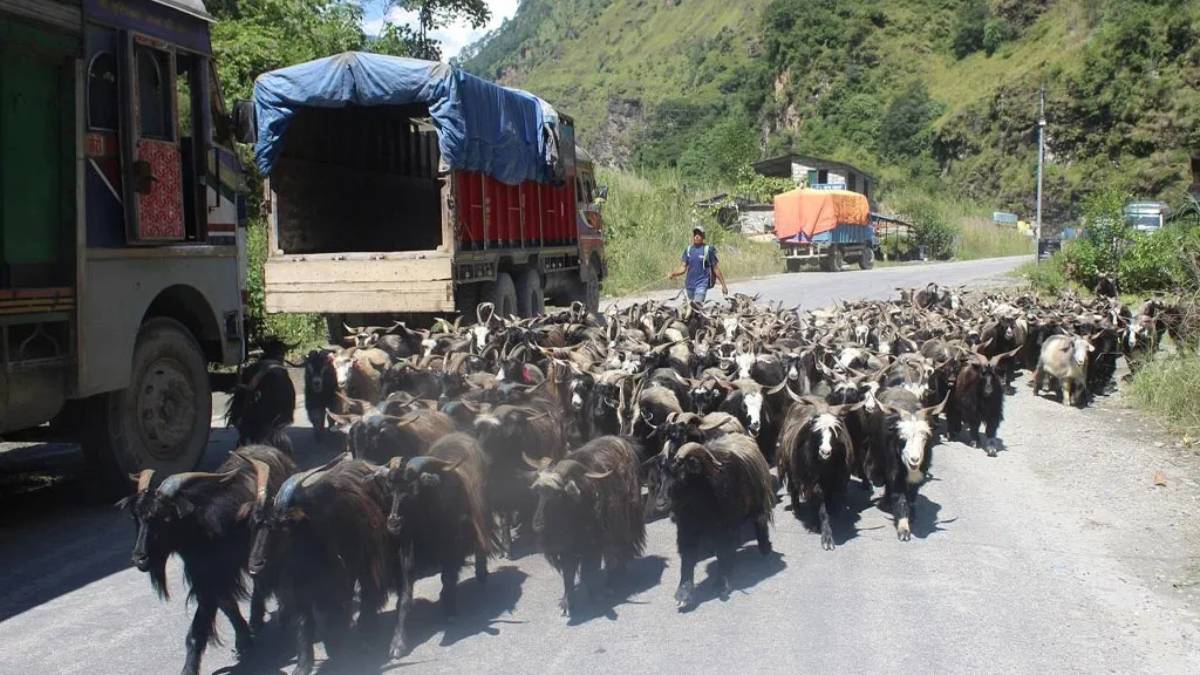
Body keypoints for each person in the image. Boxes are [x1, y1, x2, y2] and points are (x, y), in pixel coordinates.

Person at [667, 226, 728, 303]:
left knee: (697, 306)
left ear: (703, 236)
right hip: (689, 286)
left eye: (699, 234)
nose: (696, 236)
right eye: (695, 234)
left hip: (702, 284)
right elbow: (683, 268)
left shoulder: (708, 250)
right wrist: (673, 273)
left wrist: (723, 285)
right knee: (690, 309)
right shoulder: (688, 250)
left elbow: (715, 268)